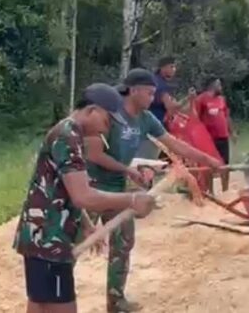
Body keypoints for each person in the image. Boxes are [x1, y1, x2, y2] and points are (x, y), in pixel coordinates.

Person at [85, 69, 222, 312]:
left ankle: (115, 301)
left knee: (123, 243)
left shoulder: (146, 118)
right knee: (73, 242)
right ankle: (54, 300)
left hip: (118, 189)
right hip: (90, 187)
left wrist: (208, 159)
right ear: (134, 90)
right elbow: (94, 154)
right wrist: (128, 171)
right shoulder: (109, 115)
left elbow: (174, 144)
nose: (152, 98)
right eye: (149, 93)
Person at [15, 83, 157, 313]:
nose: (106, 129)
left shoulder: (70, 134)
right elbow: (83, 196)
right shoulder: (68, 136)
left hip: (42, 236)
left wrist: (88, 224)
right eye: (107, 121)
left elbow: (64, 190)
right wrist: (131, 200)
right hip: (49, 239)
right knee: (60, 306)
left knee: (40, 304)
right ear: (92, 110)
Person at [195, 77, 233, 192]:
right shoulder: (201, 99)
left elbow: (226, 116)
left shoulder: (221, 99)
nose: (221, 87)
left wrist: (232, 132)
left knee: (225, 164)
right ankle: (210, 191)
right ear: (212, 85)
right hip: (209, 138)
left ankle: (225, 190)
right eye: (218, 85)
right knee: (209, 164)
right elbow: (196, 117)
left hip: (223, 136)